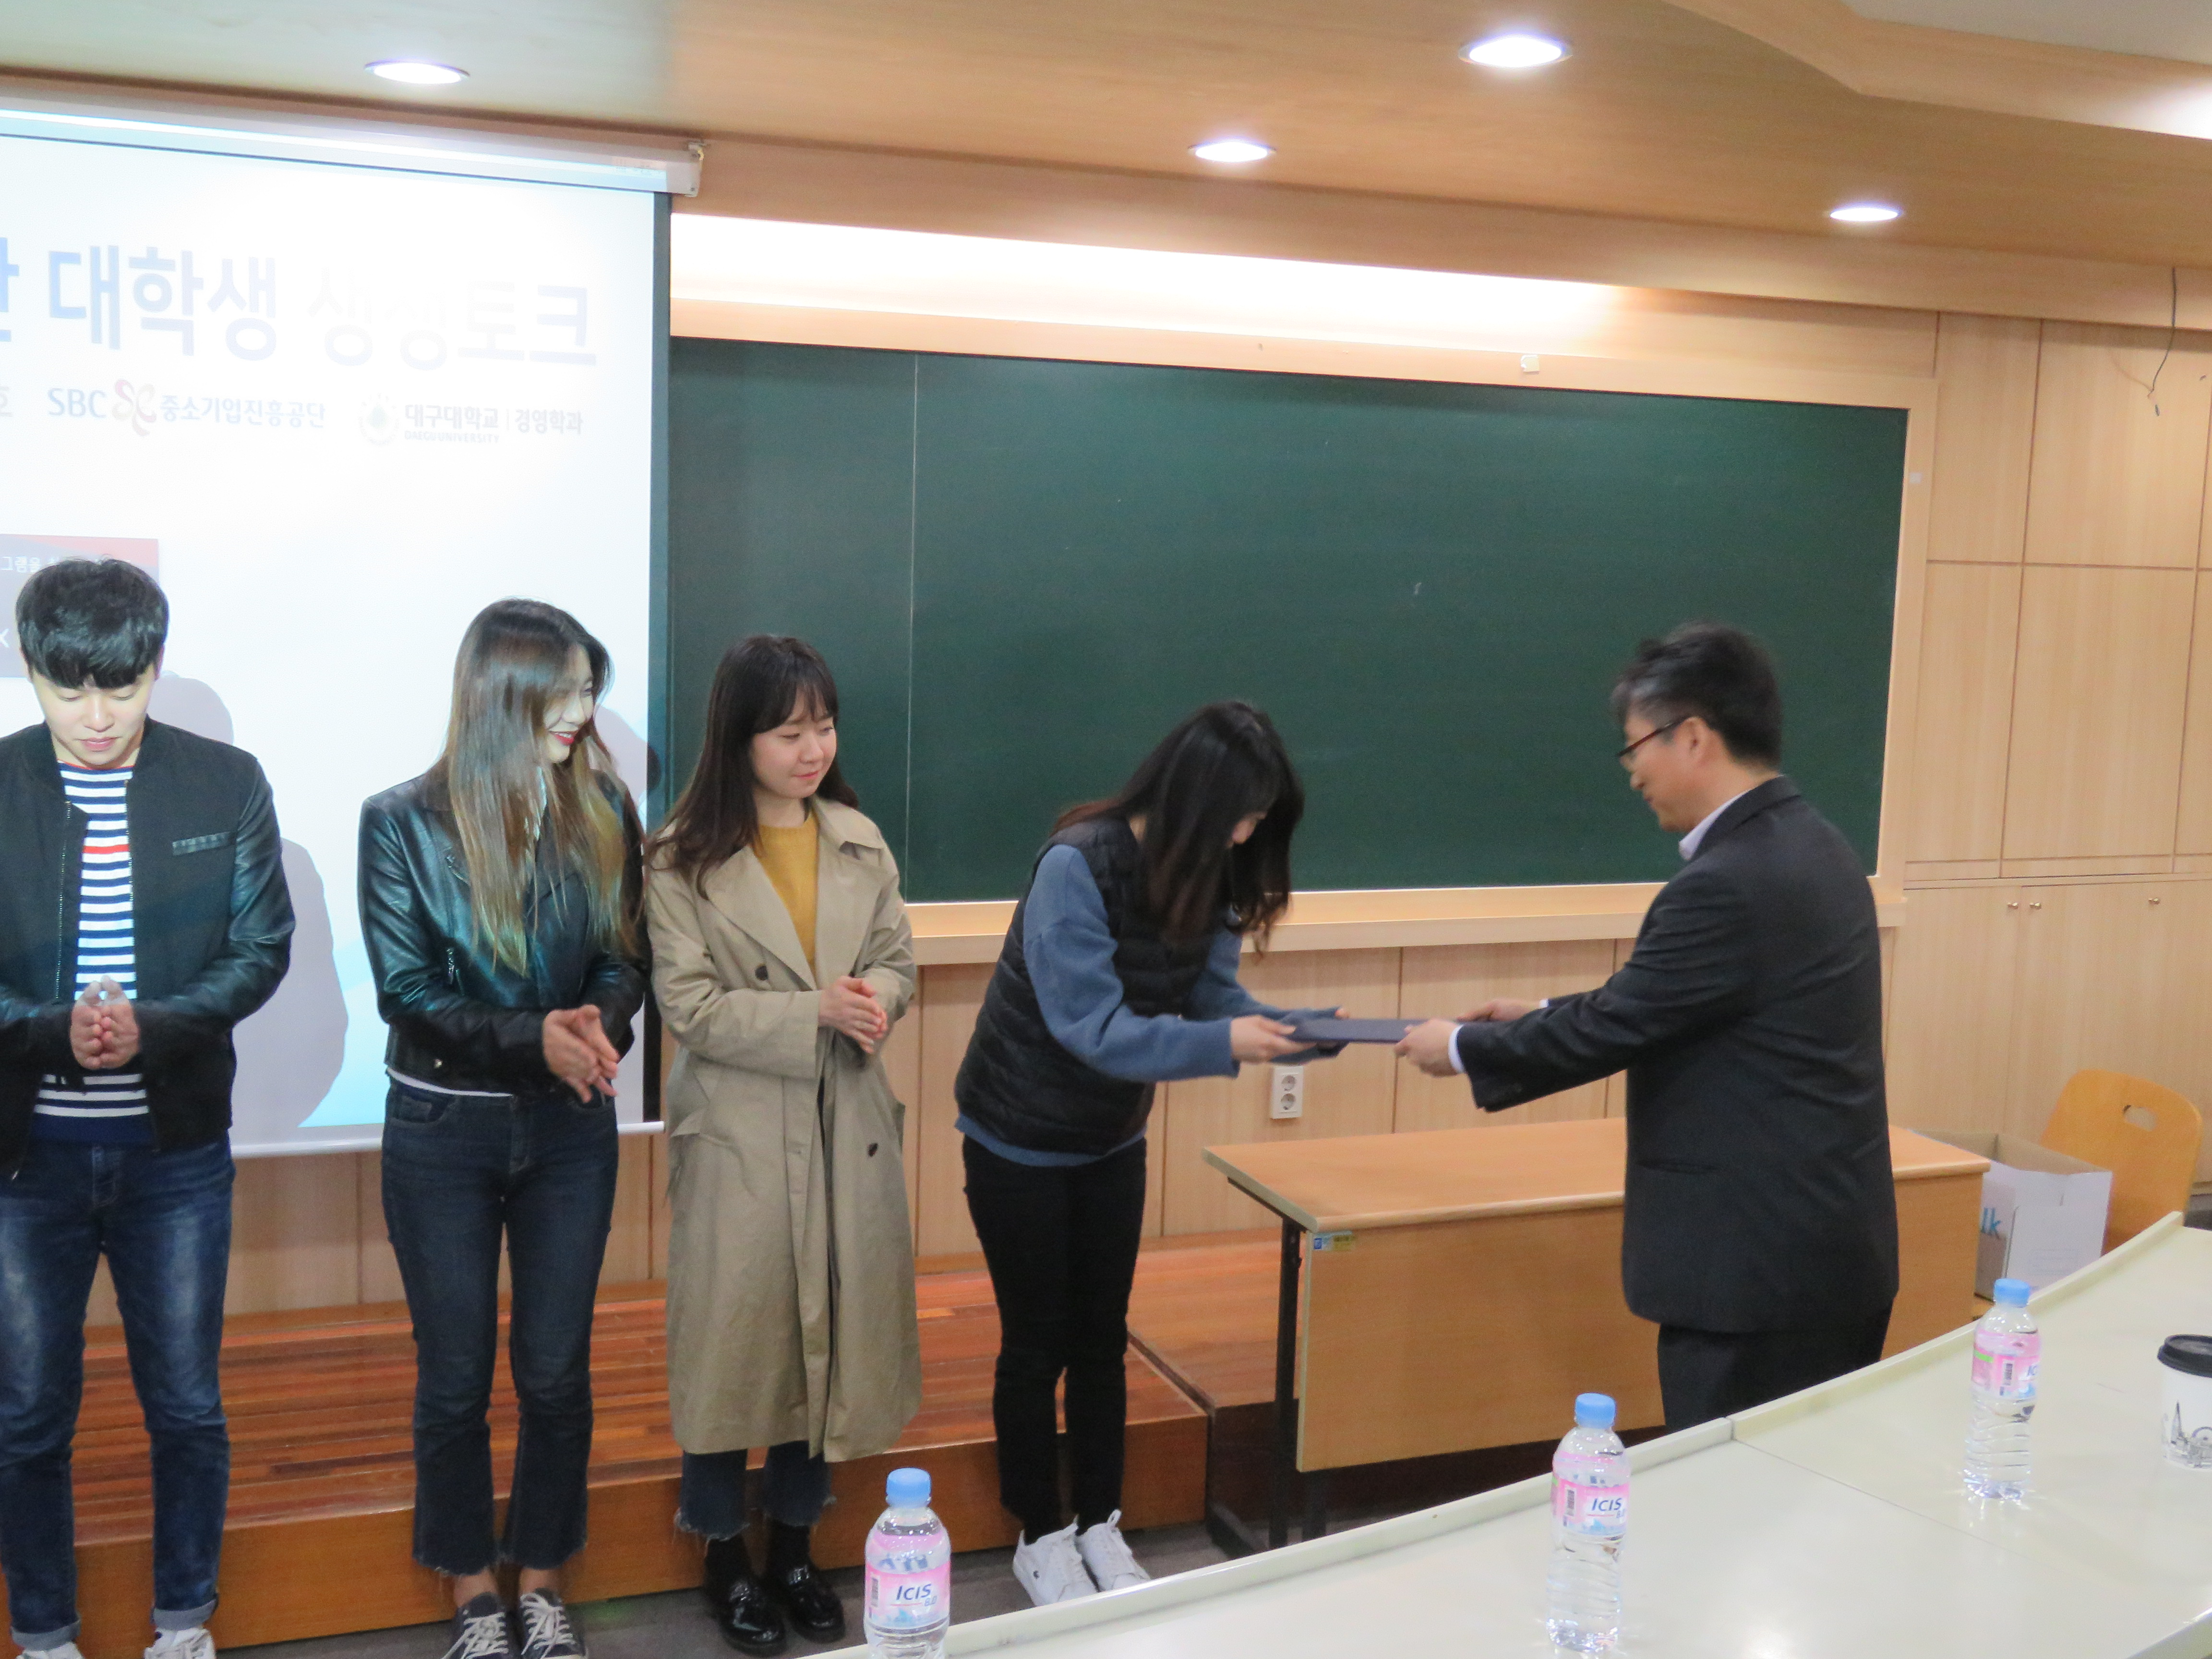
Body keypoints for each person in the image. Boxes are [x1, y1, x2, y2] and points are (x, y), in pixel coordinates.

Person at [1397, 623, 1897, 1431]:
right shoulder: (1815, 844)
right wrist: (1543, 1013)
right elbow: (1681, 999)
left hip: (1755, 1277)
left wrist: (1459, 1047)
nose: (1632, 774)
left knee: (1729, 1490)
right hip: (1820, 1253)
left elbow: (1621, 1024)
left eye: (1635, 749)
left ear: (1692, 737)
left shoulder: (1729, 880)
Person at [955, 701, 1332, 1606]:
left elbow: (1212, 997)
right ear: (1194, 798)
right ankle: (1040, 1534)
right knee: (1035, 1343)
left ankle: (1099, 1523)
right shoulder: (1075, 865)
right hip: (1017, 1140)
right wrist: (1232, 1044)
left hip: (1111, 1138)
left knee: (1102, 1336)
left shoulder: (1211, 871)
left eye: (1258, 822)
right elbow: (1094, 1030)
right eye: (1240, 817)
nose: (1246, 836)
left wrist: (1287, 1028)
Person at [0, 558, 293, 1659]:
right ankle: (45, 1634)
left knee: (186, 1406)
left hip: (175, 1157)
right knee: (27, 1415)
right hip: (25, 1161)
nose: (95, 717)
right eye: (68, 689)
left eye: (119, 689)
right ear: (30, 671)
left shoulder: (225, 782)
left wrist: (158, 1025)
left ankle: (182, 1625)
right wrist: (48, 1031)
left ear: (155, 668)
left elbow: (262, 947)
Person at [358, 601, 645, 1659]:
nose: (580, 711)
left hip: (570, 1129)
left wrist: (595, 1026)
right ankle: (473, 1588)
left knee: (557, 1371)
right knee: (455, 1376)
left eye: (587, 689)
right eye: (561, 690)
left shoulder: (603, 807)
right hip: (444, 1130)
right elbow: (407, 993)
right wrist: (540, 1039)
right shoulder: (399, 821)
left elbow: (625, 957)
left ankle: (543, 1579)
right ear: (499, 693)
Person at [646, 636, 918, 1657]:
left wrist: (875, 997)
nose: (814, 750)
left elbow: (898, 963)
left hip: (846, 1123)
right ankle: (723, 1552)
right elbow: (690, 1007)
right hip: (743, 1134)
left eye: (825, 727)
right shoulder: (679, 857)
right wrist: (818, 1011)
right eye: (790, 732)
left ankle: (796, 1548)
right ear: (740, 737)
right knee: (734, 1345)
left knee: (829, 1342)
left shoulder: (858, 839)